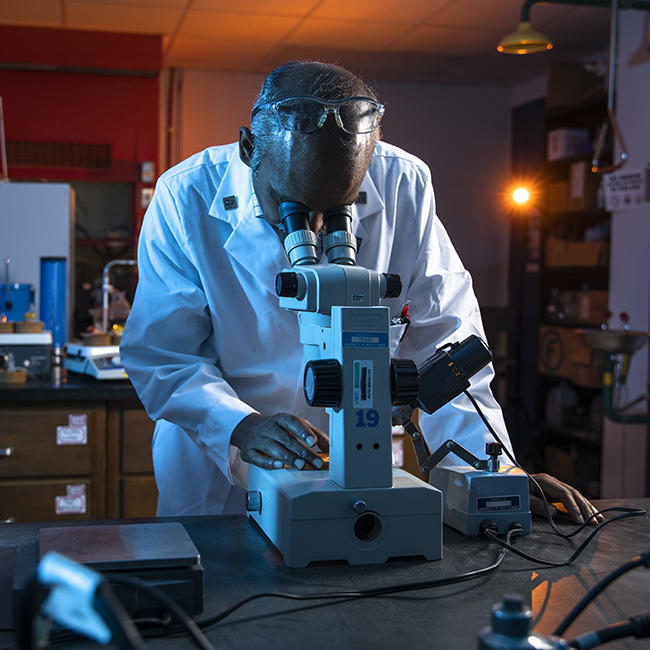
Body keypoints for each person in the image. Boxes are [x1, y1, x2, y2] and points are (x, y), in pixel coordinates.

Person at [120, 60, 601, 525]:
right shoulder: (185, 196)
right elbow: (164, 355)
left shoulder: (403, 183)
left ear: (371, 155)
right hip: (217, 471)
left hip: (355, 461)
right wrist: (238, 426)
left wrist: (493, 478)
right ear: (249, 149)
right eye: (293, 207)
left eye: (336, 210)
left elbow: (450, 348)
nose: (310, 229)